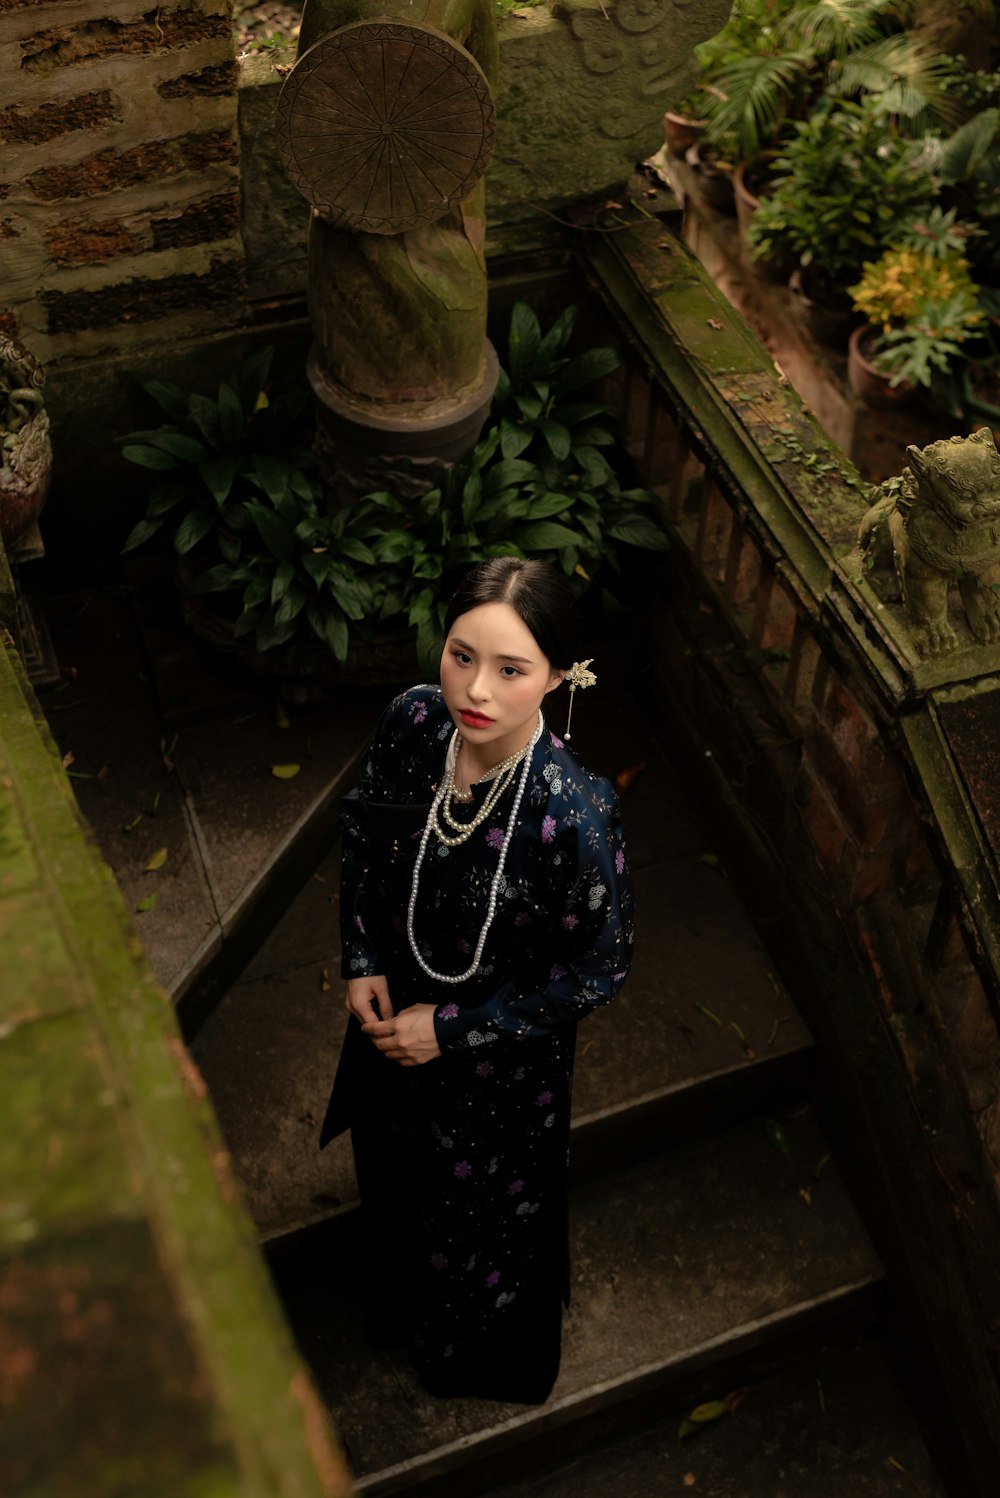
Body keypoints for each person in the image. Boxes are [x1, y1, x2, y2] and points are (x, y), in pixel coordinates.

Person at [319, 556, 634, 1405]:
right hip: (389, 1031)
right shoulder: (416, 723)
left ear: (558, 677)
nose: (477, 691)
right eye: (463, 655)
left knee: (473, 1226)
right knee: (390, 1183)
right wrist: (361, 959)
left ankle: (461, 1351)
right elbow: (361, 835)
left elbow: (598, 972)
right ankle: (394, 1303)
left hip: (497, 1076)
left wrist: (450, 1029)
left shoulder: (573, 812)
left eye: (510, 669)